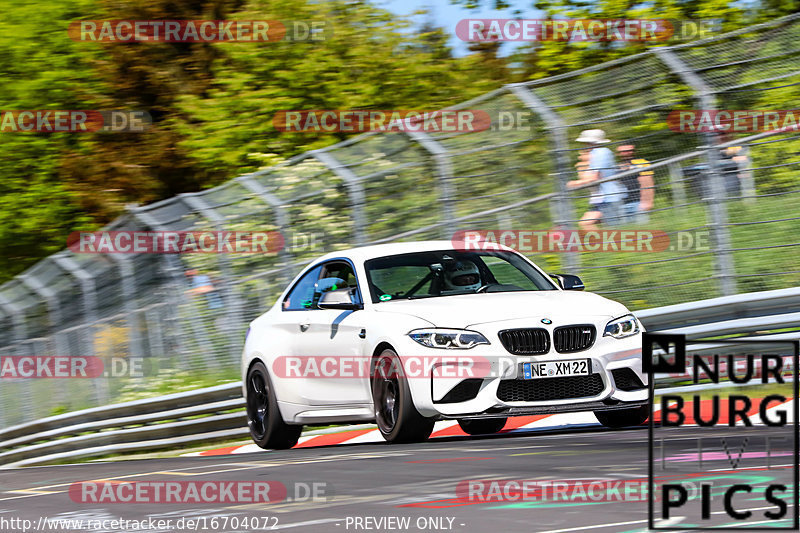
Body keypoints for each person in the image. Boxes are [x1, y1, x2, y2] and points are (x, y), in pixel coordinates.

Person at [567, 129, 626, 229]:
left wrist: (575, 183)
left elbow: (595, 177)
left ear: (591, 142)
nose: (584, 145)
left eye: (585, 142)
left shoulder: (601, 152)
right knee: (586, 223)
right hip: (601, 198)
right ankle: (601, 244)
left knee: (612, 229)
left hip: (609, 197)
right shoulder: (596, 153)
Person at [617, 144, 654, 224]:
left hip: (638, 203)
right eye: (623, 151)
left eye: (629, 151)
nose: (627, 153)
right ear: (618, 153)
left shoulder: (642, 163)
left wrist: (648, 202)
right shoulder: (617, 167)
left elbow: (648, 183)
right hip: (621, 205)